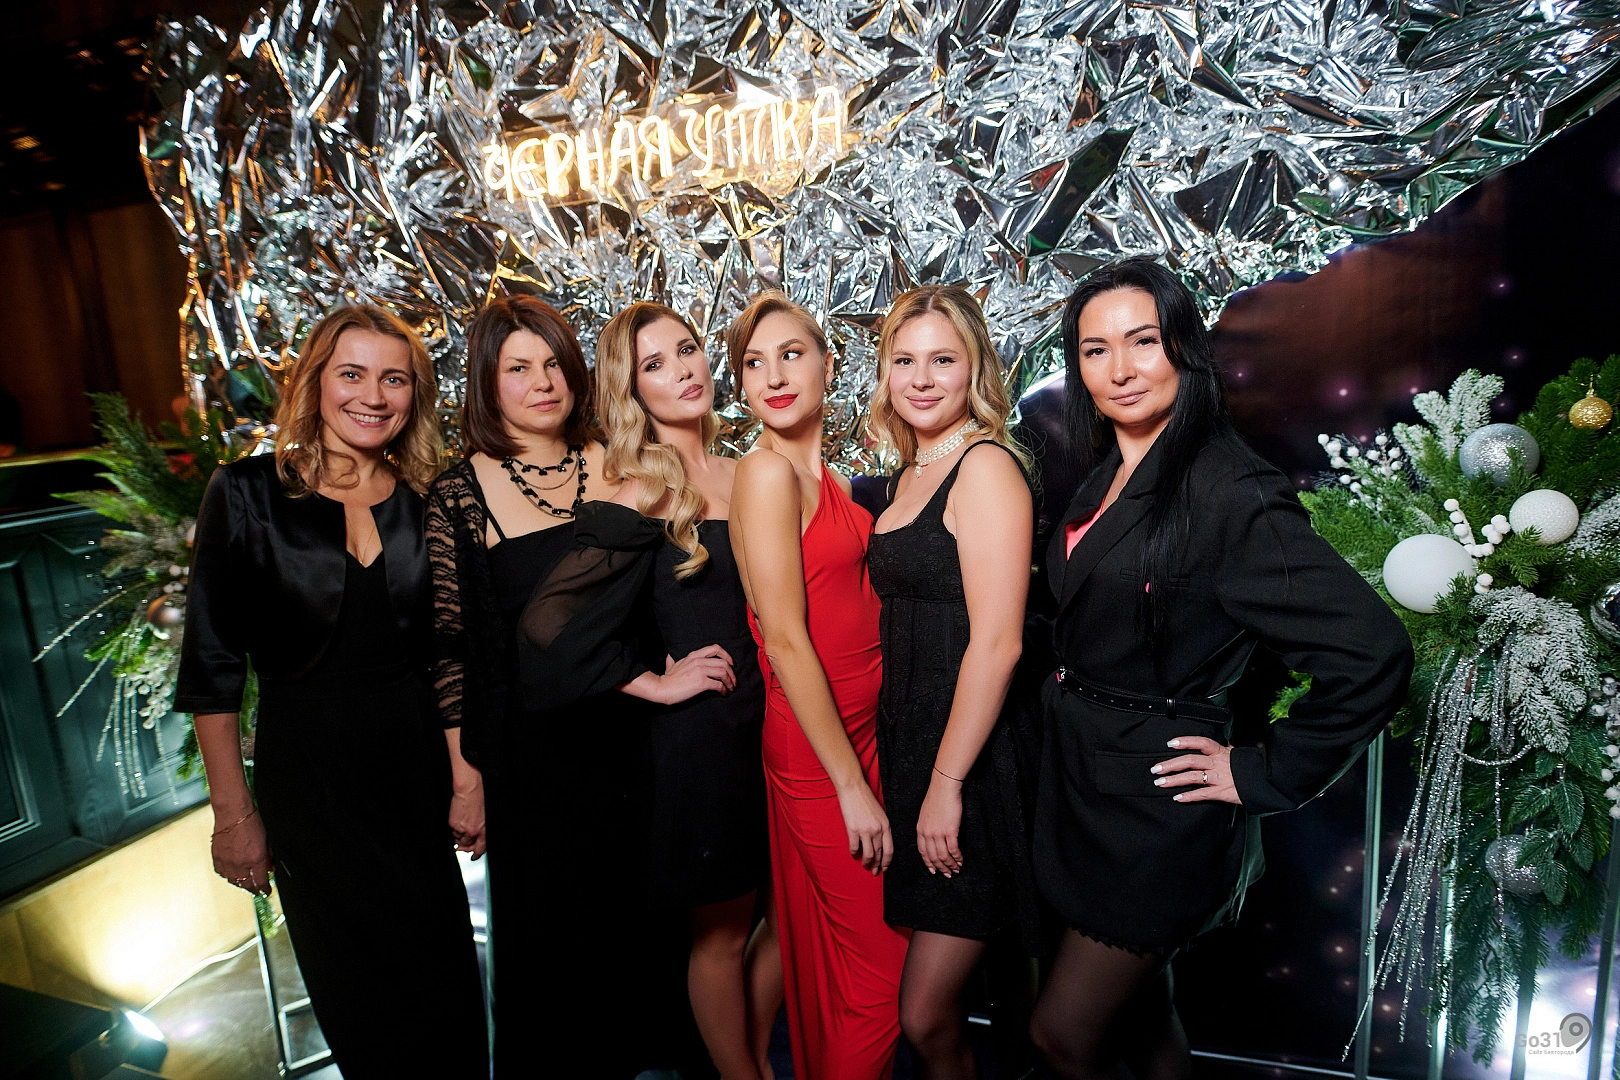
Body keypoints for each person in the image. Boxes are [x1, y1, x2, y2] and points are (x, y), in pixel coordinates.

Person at [1027, 258, 1413, 1080]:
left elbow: (1370, 653)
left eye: (1143, 341)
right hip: (1086, 789)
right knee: (1143, 1018)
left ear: (1185, 350)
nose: (1120, 369)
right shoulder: (1113, 469)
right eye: (1095, 350)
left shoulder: (1228, 489)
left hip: (1153, 815)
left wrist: (1260, 770)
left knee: (1059, 1039)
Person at [176, 304, 487, 1079]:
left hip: (414, 774)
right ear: (316, 382)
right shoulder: (246, 492)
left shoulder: (431, 497)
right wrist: (233, 814)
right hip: (309, 782)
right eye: (352, 374)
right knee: (361, 1004)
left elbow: (453, 652)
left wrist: (467, 777)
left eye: (394, 379)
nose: (373, 396)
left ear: (415, 394)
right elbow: (212, 667)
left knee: (447, 990)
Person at [521, 302, 783, 1078]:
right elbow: (544, 626)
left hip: (777, 725)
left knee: (790, 918)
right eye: (655, 364)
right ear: (631, 390)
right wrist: (657, 685)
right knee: (721, 936)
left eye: (688, 349)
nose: (684, 370)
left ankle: (758, 1062)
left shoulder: (747, 470)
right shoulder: (640, 489)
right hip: (705, 743)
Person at [423, 293, 623, 1073]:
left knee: (647, 953)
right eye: (517, 368)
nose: (542, 382)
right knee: (555, 971)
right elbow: (451, 651)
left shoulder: (619, 460)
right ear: (487, 382)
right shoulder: (459, 495)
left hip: (634, 741)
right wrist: (464, 777)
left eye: (552, 363)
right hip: (533, 765)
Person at [727, 290, 911, 1080]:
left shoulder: (826, 474)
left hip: (860, 736)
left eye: (791, 354)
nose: (773, 376)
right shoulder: (766, 473)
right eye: (754, 363)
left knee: (841, 968)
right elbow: (784, 639)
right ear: (741, 385)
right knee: (885, 979)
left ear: (829, 366)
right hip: (818, 752)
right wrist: (850, 786)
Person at [866, 285, 1042, 1079]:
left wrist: (948, 786)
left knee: (927, 1014)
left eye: (943, 359)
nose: (922, 378)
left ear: (975, 368)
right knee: (973, 1005)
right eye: (905, 361)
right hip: (917, 748)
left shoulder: (986, 467)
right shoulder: (910, 473)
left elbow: (998, 644)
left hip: (974, 760)